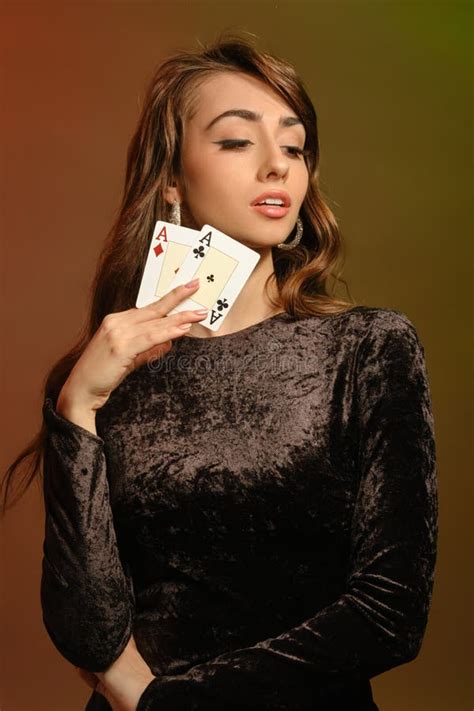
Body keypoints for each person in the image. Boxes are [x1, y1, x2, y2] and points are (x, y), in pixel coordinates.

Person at [1, 31, 438, 711]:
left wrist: (168, 702)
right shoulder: (101, 378)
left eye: (294, 146)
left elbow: (391, 609)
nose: (278, 166)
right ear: (171, 178)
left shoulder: (367, 348)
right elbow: (87, 628)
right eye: (237, 141)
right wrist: (77, 406)